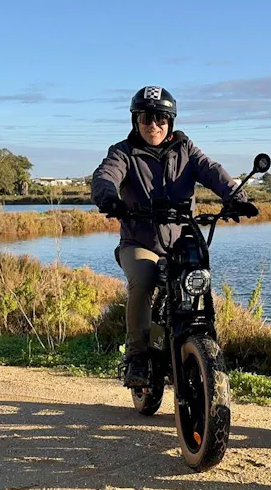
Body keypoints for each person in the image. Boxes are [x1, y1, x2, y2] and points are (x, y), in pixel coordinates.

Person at [92, 86, 258, 387]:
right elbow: (106, 175)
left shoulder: (186, 148)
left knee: (200, 279)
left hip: (182, 240)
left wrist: (237, 198)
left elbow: (212, 171)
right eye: (146, 118)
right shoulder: (124, 151)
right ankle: (137, 356)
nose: (153, 125)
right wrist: (109, 198)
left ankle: (204, 344)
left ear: (170, 121)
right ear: (135, 120)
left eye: (161, 118)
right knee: (143, 281)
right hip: (140, 242)